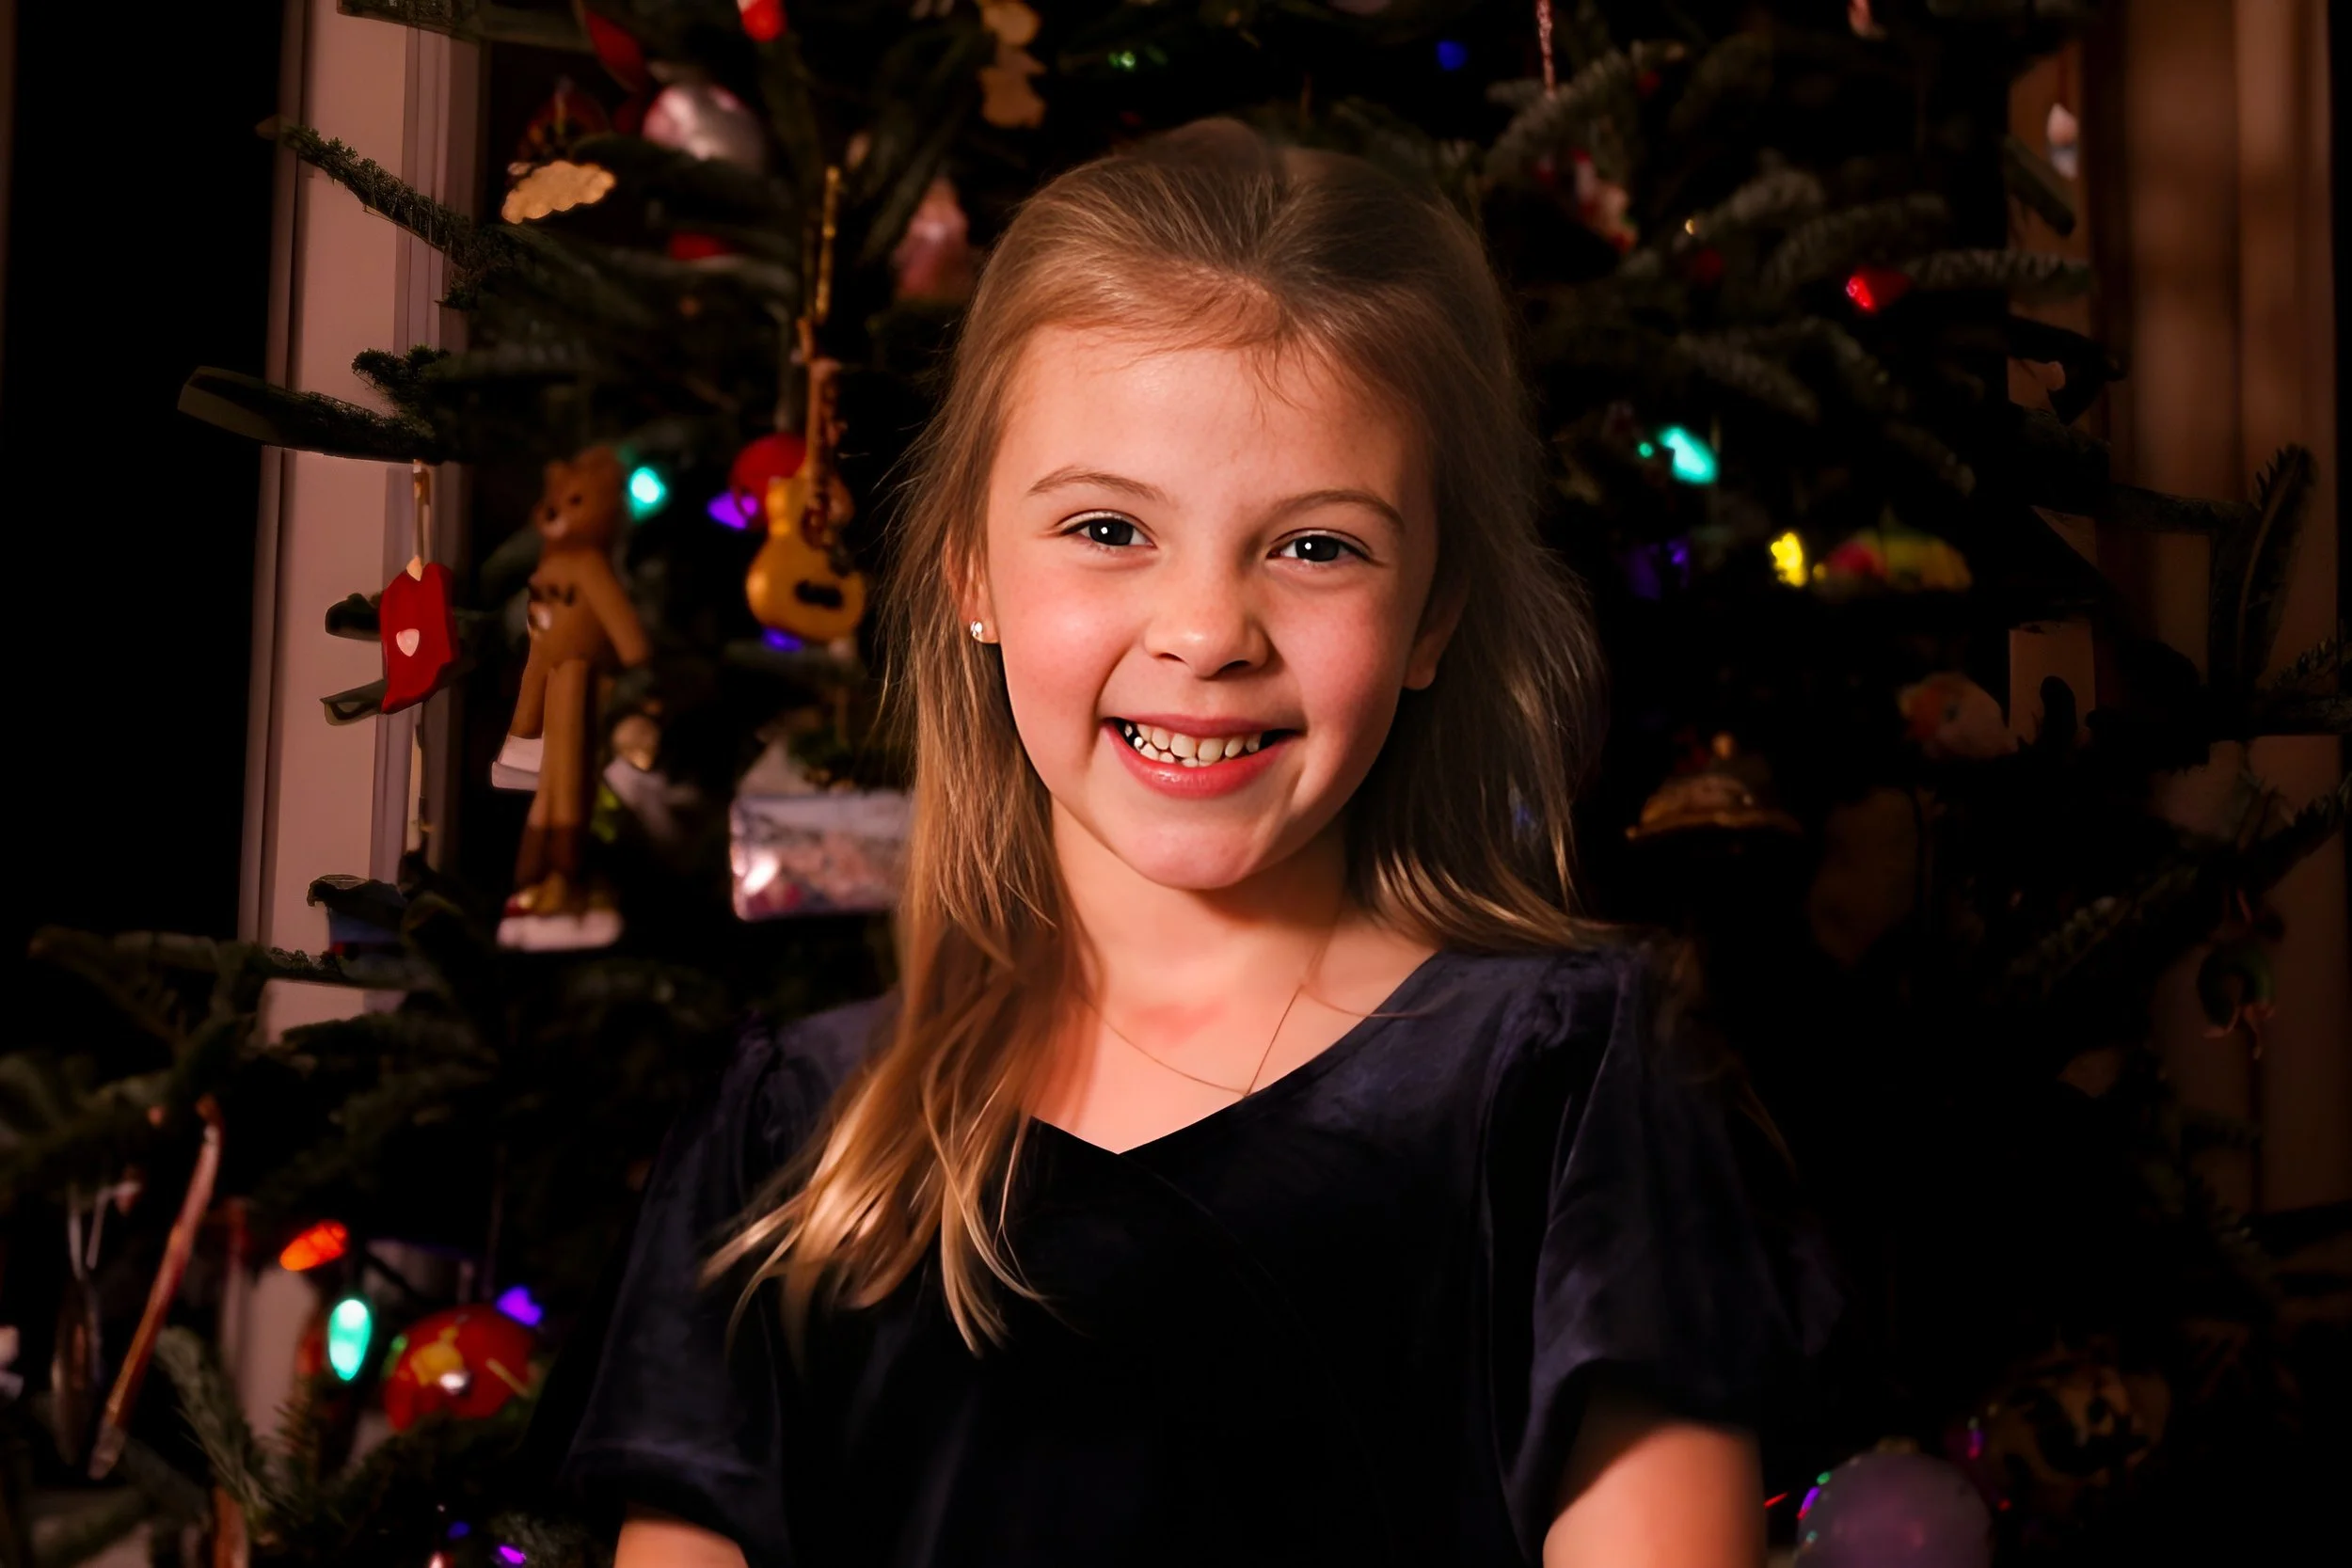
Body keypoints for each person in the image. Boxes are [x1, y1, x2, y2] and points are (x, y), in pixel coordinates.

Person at [554, 119, 1834, 1568]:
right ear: (973, 568)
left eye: (1314, 546)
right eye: (1108, 528)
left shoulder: (1575, 1085)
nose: (1207, 632)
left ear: (1432, 615)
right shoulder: (788, 1140)